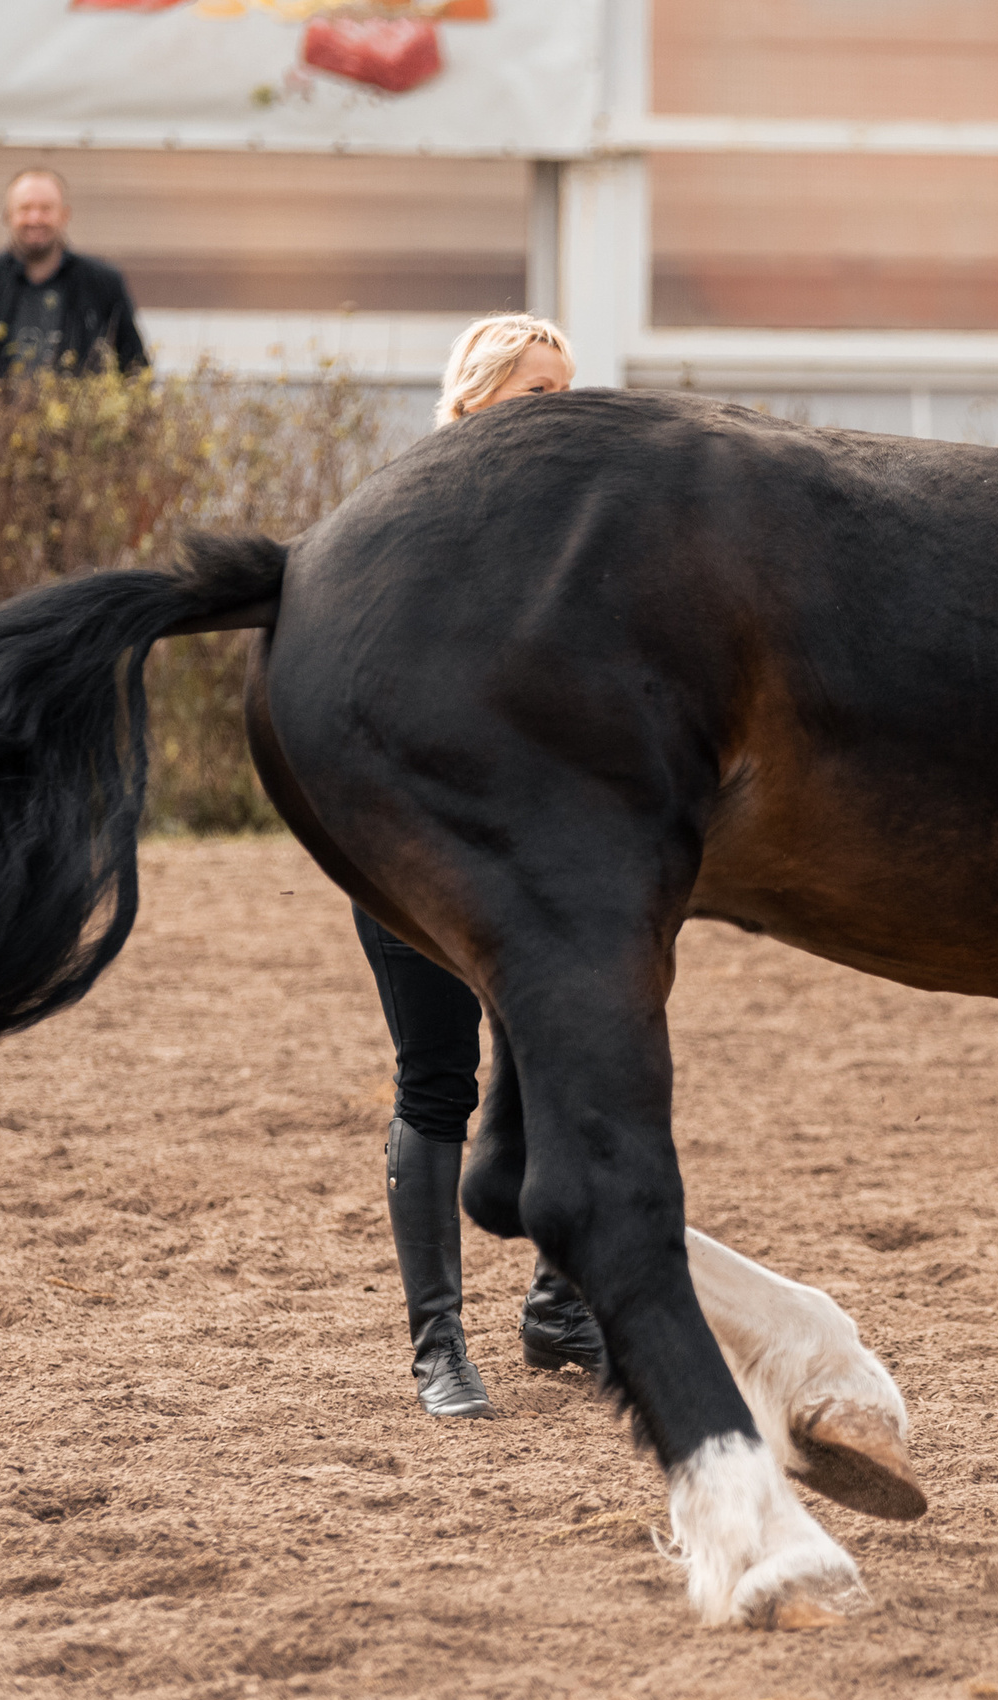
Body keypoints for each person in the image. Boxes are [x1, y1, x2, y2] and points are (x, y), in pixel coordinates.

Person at [375, 313, 597, 1418]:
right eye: (536, 390)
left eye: (570, 388)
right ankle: (437, 1347)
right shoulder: (413, 522)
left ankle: (560, 1309)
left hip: (540, 850)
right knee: (437, 1080)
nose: (561, 407)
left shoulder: (581, 541)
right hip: (416, 842)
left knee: (567, 1064)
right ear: (473, 403)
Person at [0, 167, 146, 394]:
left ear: (65, 215)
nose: (35, 218)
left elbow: (136, 372)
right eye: (25, 208)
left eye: (46, 209)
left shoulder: (103, 283)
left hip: (81, 430)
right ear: (7, 216)